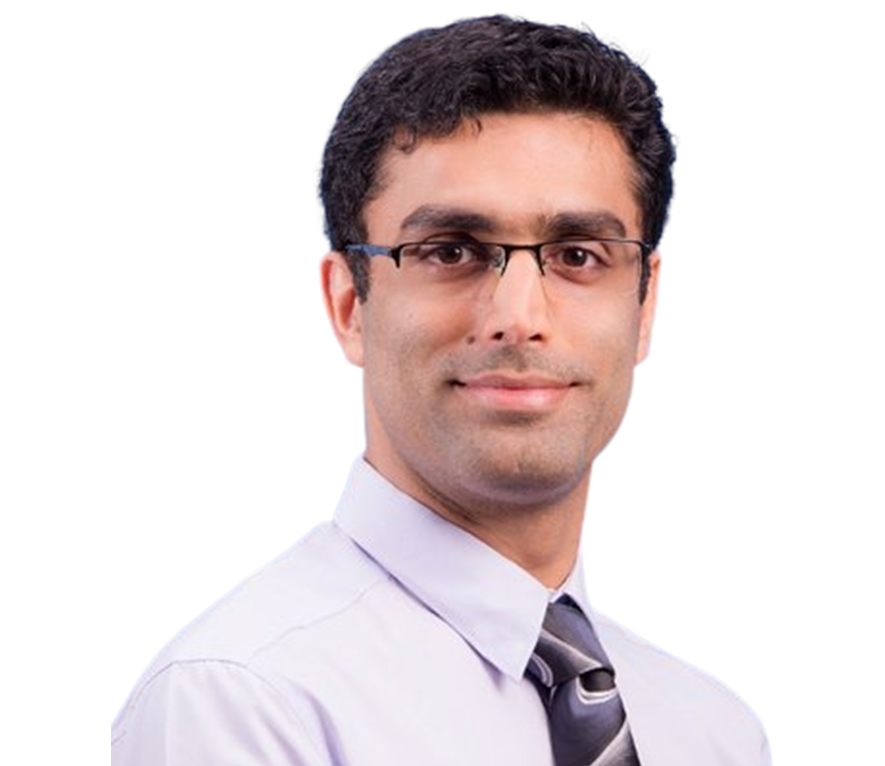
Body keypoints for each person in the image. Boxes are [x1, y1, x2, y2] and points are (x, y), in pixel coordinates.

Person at [112, 19, 771, 765]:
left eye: (578, 255)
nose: (519, 317)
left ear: (644, 309)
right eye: (451, 251)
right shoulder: (243, 701)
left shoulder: (712, 731)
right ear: (348, 306)